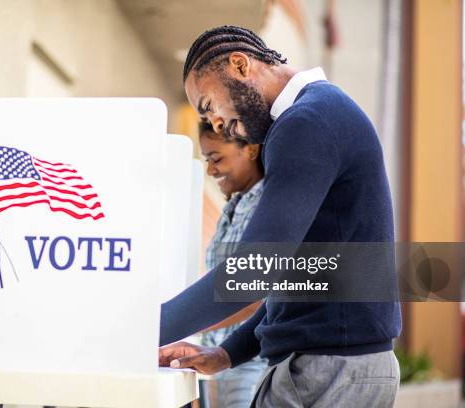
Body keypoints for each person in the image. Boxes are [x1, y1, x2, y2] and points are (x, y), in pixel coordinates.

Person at [158, 26, 401, 407]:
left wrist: (139, 331)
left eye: (209, 106)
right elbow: (305, 275)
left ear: (240, 65)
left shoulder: (306, 123)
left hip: (328, 371)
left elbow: (255, 269)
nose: (218, 124)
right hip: (339, 365)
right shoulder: (319, 114)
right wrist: (228, 353)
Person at [197, 121, 268, 408]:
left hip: (250, 364)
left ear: (250, 149)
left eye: (216, 158)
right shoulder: (234, 206)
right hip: (216, 363)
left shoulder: (269, 208)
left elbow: (255, 296)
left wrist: (188, 325)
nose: (210, 170)